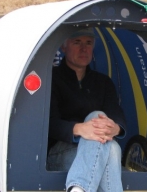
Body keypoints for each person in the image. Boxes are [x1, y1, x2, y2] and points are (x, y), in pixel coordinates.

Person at [48, 27, 127, 192]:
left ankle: (78, 188)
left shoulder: (103, 82)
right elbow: (49, 124)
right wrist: (80, 129)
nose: (84, 48)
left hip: (98, 151)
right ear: (64, 47)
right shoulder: (51, 79)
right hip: (61, 151)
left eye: (88, 43)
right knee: (110, 149)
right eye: (77, 42)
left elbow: (116, 113)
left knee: (107, 139)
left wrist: (116, 128)